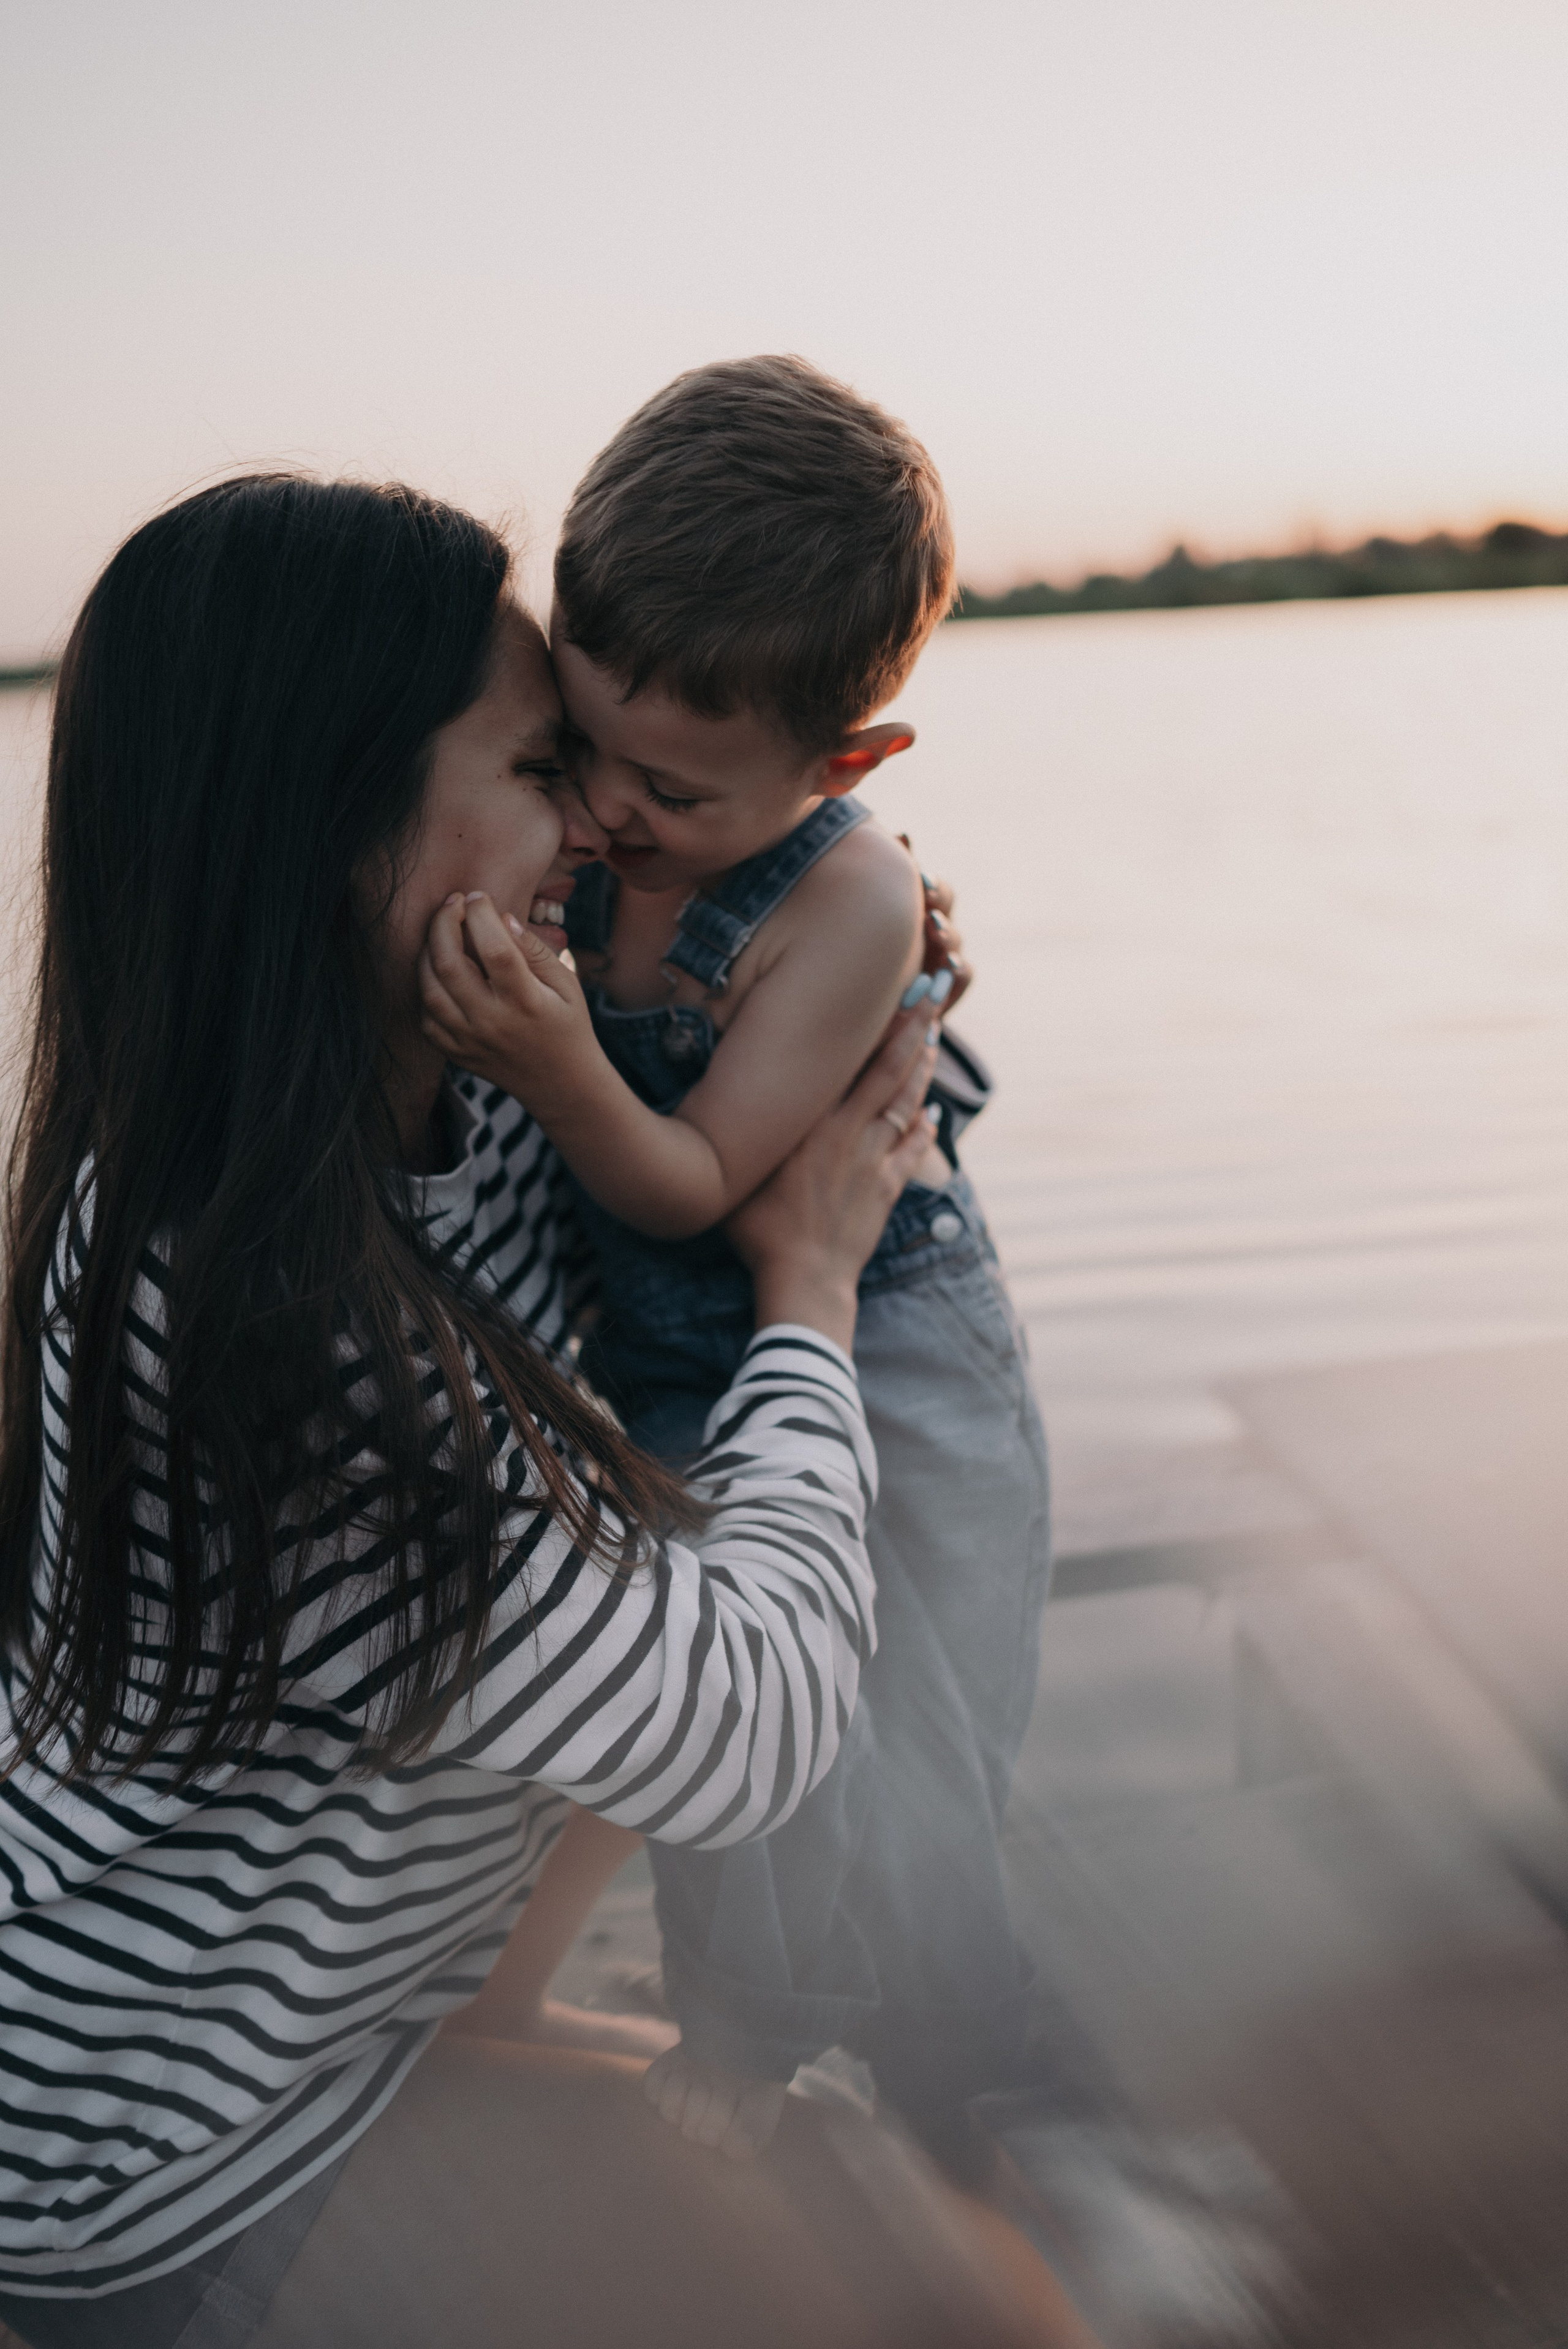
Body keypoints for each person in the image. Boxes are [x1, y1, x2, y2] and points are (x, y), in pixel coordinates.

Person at [0, 475, 1074, 2349]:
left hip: (323, 1987)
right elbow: (741, 1733)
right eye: (541, 767)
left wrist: (847, 928)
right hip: (154, 2125)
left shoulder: (456, 1093)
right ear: (339, 830)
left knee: (882, 2211)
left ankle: (495, 2035)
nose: (598, 822)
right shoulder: (259, 1296)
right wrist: (806, 1298)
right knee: (943, 2301)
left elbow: (769, 1011)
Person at [415, 356, 1053, 2175]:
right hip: (689, 1333)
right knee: (742, 1694)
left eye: (671, 788)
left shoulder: (848, 896)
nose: (607, 811)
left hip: (884, 1320)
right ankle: (769, 2019)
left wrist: (552, 1054)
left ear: (846, 767)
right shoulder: (604, 830)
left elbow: (696, 1183)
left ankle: (953, 2068)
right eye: (576, 746)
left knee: (922, 1700)